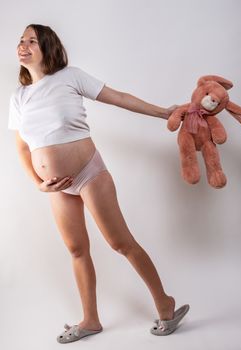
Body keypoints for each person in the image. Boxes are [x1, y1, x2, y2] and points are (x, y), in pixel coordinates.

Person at [8, 24, 190, 343]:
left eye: (32, 41)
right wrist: (39, 183)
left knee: (120, 243)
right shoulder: (19, 96)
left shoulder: (70, 77)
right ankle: (90, 320)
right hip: (56, 187)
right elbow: (22, 147)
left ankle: (165, 303)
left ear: (47, 48)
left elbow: (117, 97)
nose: (23, 45)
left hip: (90, 174)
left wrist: (163, 113)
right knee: (77, 249)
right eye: (20, 41)